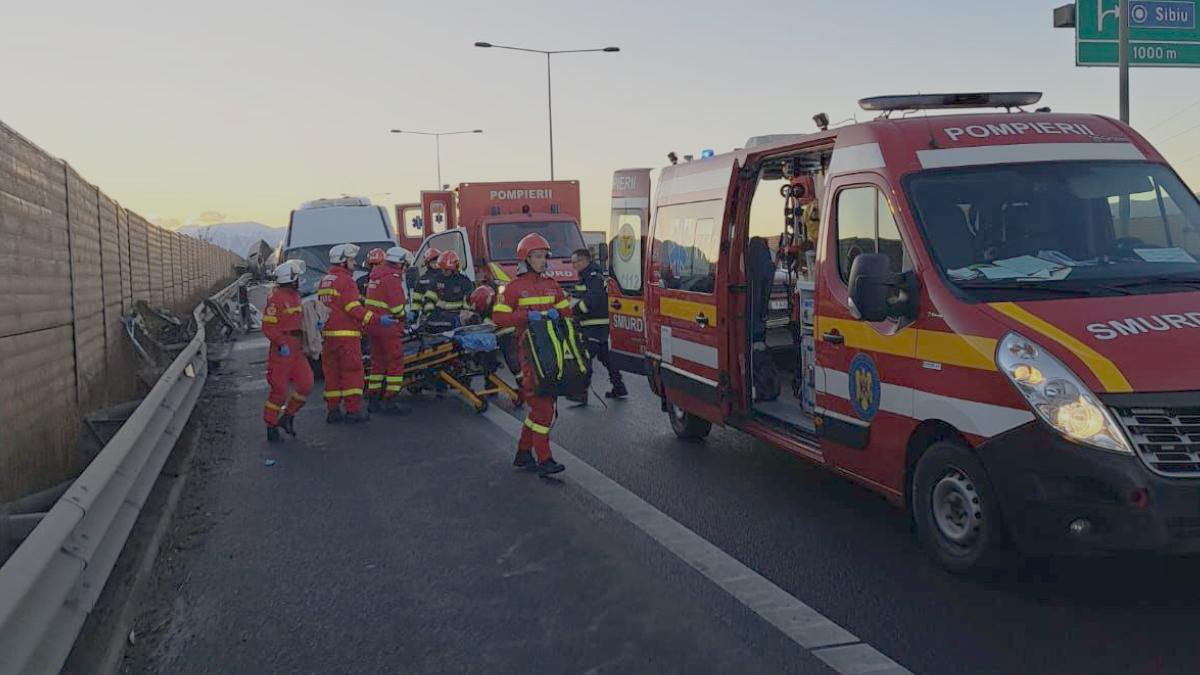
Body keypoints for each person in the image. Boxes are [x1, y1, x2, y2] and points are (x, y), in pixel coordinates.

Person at [492, 234, 570, 475]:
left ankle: (524, 454)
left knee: (539, 407)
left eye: (544, 256)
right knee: (543, 407)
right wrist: (526, 317)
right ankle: (544, 459)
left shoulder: (551, 284)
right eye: (537, 256)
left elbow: (565, 310)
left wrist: (560, 315)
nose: (542, 260)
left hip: (550, 352)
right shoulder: (514, 288)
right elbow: (498, 317)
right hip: (528, 354)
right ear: (525, 259)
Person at [317, 243, 396, 423]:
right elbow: (354, 310)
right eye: (351, 260)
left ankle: (333, 410)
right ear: (343, 262)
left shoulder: (325, 280)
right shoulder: (347, 281)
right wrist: (378, 319)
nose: (354, 264)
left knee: (332, 374)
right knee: (352, 373)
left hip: (328, 338)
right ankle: (353, 410)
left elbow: (332, 306)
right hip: (347, 338)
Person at [261, 260, 314, 442]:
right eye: (296, 277)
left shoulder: (295, 296)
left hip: (297, 348)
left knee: (306, 384)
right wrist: (281, 342)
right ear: (290, 279)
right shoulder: (276, 299)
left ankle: (288, 416)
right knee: (279, 390)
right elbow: (268, 326)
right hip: (281, 350)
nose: (299, 280)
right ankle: (271, 424)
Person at [567, 247, 627, 404]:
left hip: (594, 326)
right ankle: (619, 387)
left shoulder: (593, 278)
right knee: (607, 358)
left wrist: (573, 307)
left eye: (575, 262)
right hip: (597, 326)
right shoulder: (588, 277)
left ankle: (581, 393)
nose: (574, 266)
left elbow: (590, 303)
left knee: (584, 358)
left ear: (584, 260)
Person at [365, 246, 413, 415]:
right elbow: (397, 308)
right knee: (395, 363)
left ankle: (373, 399)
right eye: (405, 265)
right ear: (400, 264)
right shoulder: (392, 278)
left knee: (377, 363)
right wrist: (406, 314)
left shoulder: (376, 276)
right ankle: (390, 400)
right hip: (389, 327)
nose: (405, 268)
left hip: (374, 326)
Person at [425, 250, 474, 333]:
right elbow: (428, 299)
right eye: (442, 269)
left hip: (458, 318)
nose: (443, 272)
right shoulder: (436, 280)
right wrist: (429, 314)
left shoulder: (464, 281)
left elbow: (469, 304)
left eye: (446, 270)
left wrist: (446, 306)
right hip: (440, 316)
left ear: (455, 268)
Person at [413, 247, 441, 323]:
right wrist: (414, 312)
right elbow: (417, 299)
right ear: (427, 264)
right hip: (427, 315)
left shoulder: (446, 276)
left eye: (437, 262)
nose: (435, 265)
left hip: (445, 313)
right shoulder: (422, 280)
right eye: (433, 262)